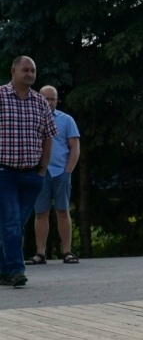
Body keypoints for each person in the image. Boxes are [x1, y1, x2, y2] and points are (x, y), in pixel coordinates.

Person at [0, 56, 58, 288]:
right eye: (25, 70)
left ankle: (3, 270)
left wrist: (42, 170)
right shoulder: (1, 97)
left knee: (14, 225)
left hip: (32, 175)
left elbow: (48, 137)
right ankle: (16, 270)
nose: (30, 74)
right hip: (4, 173)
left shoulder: (40, 102)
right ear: (13, 70)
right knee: (12, 223)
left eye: (33, 71)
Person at [25, 85, 81, 265]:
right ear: (38, 98)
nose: (49, 102)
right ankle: (40, 253)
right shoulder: (30, 118)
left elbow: (75, 147)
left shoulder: (67, 120)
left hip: (60, 172)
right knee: (40, 213)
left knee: (63, 211)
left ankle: (67, 252)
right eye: (45, 98)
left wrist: (68, 171)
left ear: (57, 100)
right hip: (39, 172)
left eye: (52, 99)